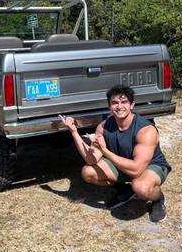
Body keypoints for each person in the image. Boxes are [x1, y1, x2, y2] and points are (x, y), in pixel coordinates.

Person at [59, 84, 171, 221]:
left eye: (124, 102)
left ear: (132, 105)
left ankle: (158, 199)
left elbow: (136, 170)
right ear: (109, 106)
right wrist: (74, 132)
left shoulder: (146, 130)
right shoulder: (104, 126)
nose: (119, 106)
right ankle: (125, 189)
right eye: (114, 103)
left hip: (149, 166)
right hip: (122, 163)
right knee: (88, 172)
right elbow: (91, 160)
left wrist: (104, 150)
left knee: (141, 187)